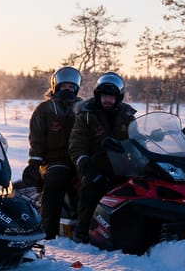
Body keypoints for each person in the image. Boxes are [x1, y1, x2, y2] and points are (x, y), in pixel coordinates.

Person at [68, 72, 136, 243]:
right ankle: (82, 231)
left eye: (111, 97)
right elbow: (76, 143)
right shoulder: (86, 115)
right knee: (92, 185)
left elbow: (137, 137)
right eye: (105, 96)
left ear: (118, 98)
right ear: (98, 96)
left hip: (122, 164)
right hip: (94, 163)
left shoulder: (127, 116)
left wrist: (157, 137)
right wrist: (83, 160)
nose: (108, 100)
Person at [22, 66, 82, 240]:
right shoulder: (45, 110)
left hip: (79, 159)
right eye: (64, 86)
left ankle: (88, 229)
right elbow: (37, 139)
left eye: (71, 87)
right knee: (56, 180)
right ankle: (47, 230)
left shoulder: (83, 108)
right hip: (53, 161)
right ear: (56, 87)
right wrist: (34, 163)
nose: (68, 90)